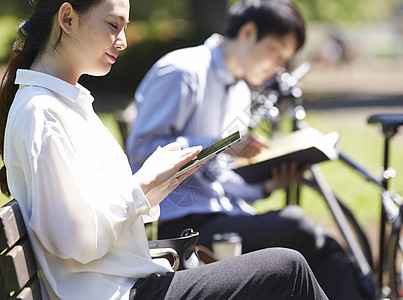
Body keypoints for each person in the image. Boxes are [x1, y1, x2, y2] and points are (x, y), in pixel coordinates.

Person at [0, 0, 329, 299]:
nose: (124, 41)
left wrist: (156, 186)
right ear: (68, 19)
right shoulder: (43, 113)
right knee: (288, 268)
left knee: (286, 265)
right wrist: (142, 186)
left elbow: (91, 215)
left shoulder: (63, 104)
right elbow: (74, 240)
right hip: (120, 291)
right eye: (114, 25)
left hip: (130, 280)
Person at [126, 0, 369, 299]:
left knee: (319, 244)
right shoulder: (183, 71)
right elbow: (140, 152)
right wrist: (219, 145)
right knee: (299, 226)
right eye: (276, 53)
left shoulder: (241, 90)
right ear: (248, 33)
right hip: (180, 224)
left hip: (221, 214)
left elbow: (217, 178)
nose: (279, 67)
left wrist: (266, 185)